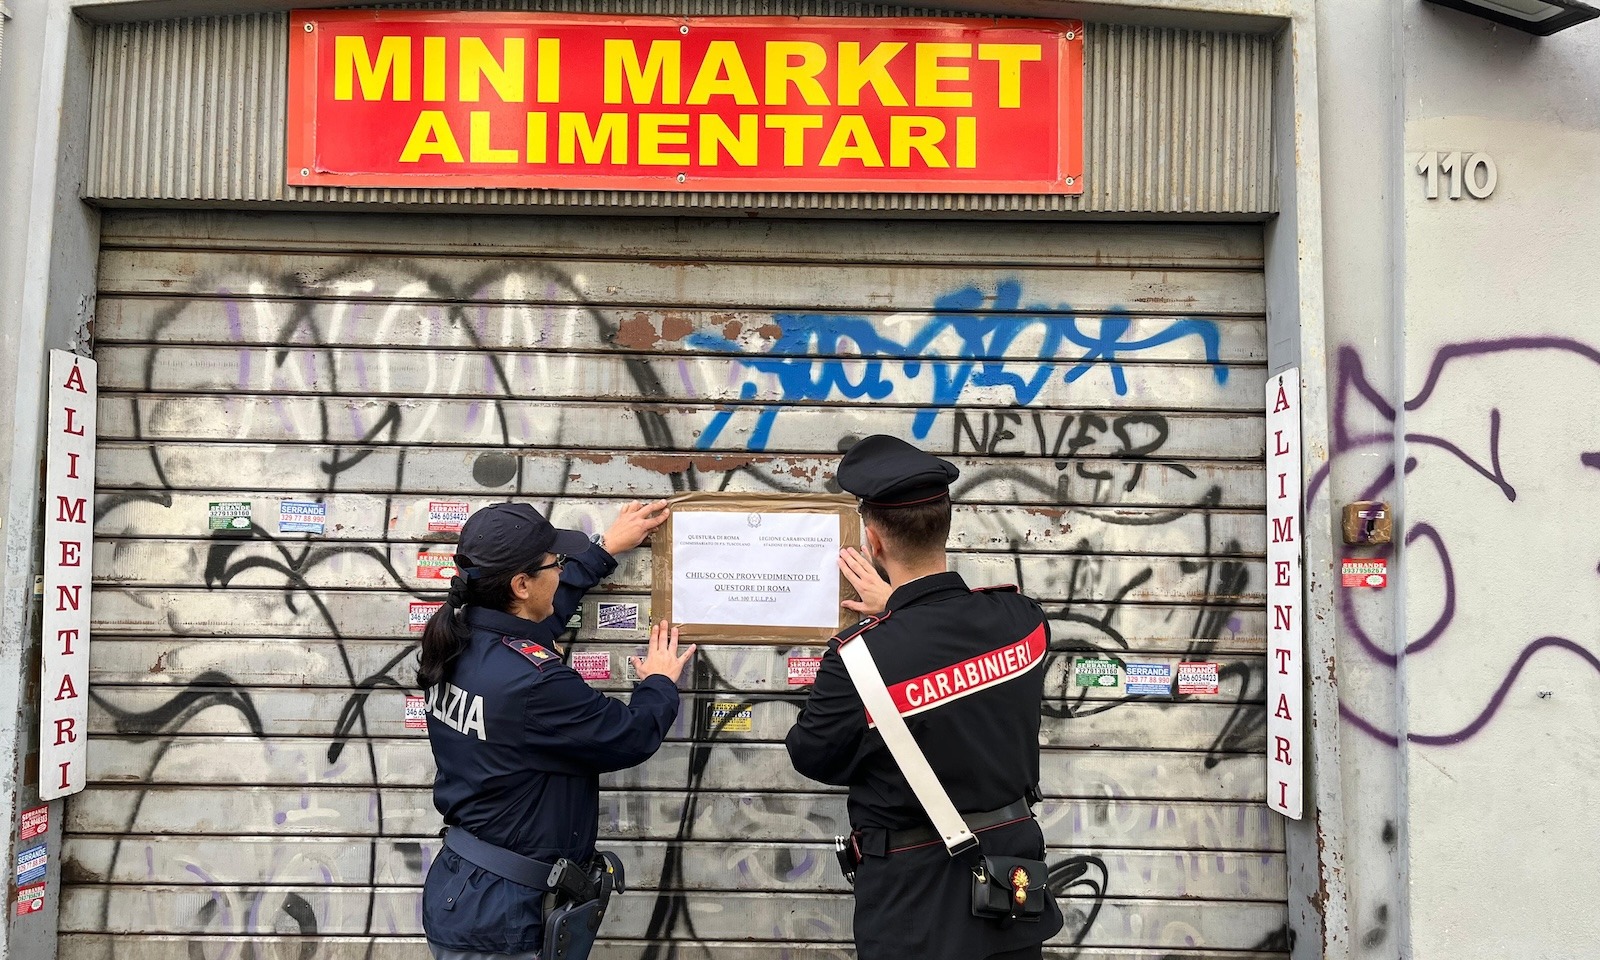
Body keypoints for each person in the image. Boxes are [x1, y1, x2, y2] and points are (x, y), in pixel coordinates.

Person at [785, 435, 1064, 960]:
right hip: (1011, 890)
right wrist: (899, 606)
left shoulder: (859, 658)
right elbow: (954, 663)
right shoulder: (1023, 621)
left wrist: (892, 614)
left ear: (873, 541)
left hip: (913, 904)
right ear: (946, 523)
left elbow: (813, 754)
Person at [417, 500, 695, 960]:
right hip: (502, 913)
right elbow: (629, 735)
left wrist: (604, 550)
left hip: (470, 888)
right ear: (521, 584)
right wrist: (659, 683)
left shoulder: (459, 636)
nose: (561, 573)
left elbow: (537, 619)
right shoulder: (533, 683)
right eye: (555, 564)